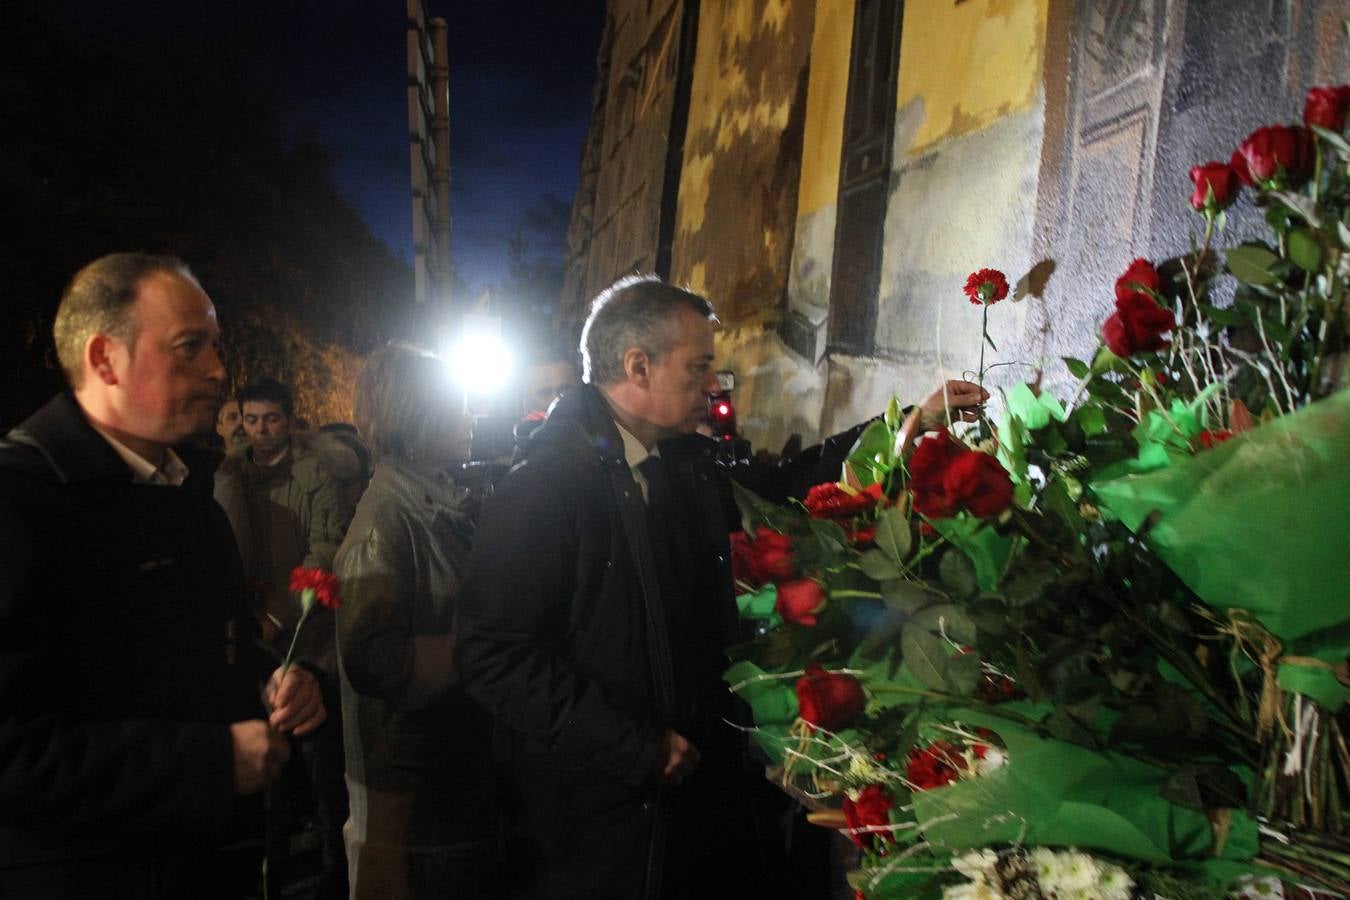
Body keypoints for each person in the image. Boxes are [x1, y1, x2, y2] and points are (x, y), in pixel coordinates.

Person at [454, 275, 986, 898]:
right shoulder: (546, 489)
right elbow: (490, 654)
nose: (715, 386)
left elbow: (790, 485)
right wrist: (635, 746)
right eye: (700, 366)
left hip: (687, 801)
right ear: (638, 366)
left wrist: (909, 425)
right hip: (604, 830)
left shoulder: (681, 462)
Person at [0, 252, 325, 898]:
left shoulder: (188, 499)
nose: (217, 370)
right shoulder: (18, 506)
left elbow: (199, 656)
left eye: (215, 346)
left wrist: (276, 681)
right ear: (103, 360)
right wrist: (209, 768)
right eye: (189, 347)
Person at [334, 343, 498, 898]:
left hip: (446, 783)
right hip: (410, 807)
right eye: (457, 406)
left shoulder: (436, 505)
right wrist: (487, 649)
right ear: (415, 414)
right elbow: (375, 657)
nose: (471, 417)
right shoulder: (387, 520)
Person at [215, 376, 352, 898]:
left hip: (305, 632)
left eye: (271, 419)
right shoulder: (234, 474)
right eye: (250, 419)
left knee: (320, 762)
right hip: (252, 637)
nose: (260, 430)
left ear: (290, 421)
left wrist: (278, 617)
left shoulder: (315, 475)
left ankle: (335, 870)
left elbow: (325, 546)